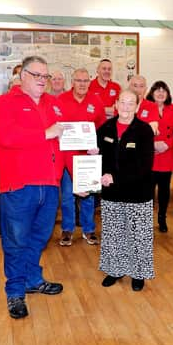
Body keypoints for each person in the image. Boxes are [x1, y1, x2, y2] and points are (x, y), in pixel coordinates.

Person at [0, 55, 65, 319]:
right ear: (22, 75)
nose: (43, 81)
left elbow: (63, 142)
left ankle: (33, 279)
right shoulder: (5, 103)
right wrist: (46, 133)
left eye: (46, 76)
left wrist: (84, 156)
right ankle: (15, 292)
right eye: (37, 75)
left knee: (39, 238)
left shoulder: (53, 104)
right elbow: (6, 137)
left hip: (49, 184)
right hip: (19, 185)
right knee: (16, 241)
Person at [97, 90, 155, 291]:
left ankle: (138, 274)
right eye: (123, 102)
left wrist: (115, 177)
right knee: (113, 234)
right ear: (116, 104)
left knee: (138, 235)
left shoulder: (144, 130)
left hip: (137, 193)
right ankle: (114, 270)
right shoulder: (105, 128)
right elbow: (99, 158)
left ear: (137, 107)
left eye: (131, 103)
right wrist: (94, 157)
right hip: (111, 193)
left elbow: (144, 165)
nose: (126, 107)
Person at [57, 68, 106, 247]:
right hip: (67, 156)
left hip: (88, 158)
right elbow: (56, 127)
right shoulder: (61, 100)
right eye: (79, 80)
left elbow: (102, 127)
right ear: (72, 82)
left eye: (86, 81)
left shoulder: (96, 100)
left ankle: (88, 229)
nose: (82, 84)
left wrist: (98, 145)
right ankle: (67, 229)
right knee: (68, 196)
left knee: (88, 196)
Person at [146, 81, 173, 233]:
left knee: (164, 190)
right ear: (152, 93)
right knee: (148, 190)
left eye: (163, 90)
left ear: (167, 94)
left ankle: (162, 218)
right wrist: (151, 145)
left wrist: (167, 144)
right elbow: (140, 129)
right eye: (157, 90)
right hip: (150, 155)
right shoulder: (144, 108)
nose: (160, 93)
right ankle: (146, 219)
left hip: (167, 153)